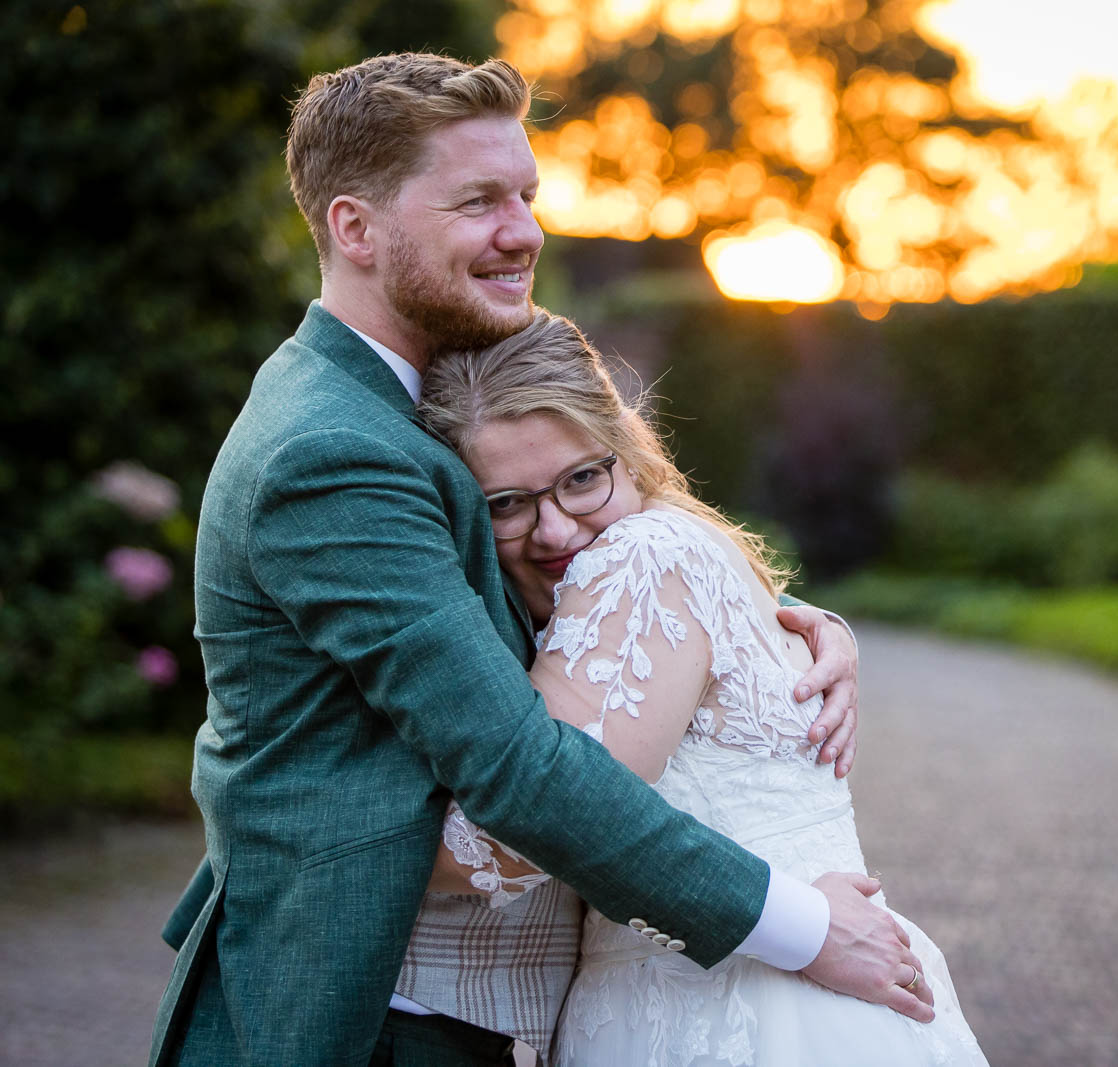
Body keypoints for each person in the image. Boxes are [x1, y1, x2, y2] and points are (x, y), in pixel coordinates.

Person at [150, 53, 932, 1067]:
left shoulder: (416, 405)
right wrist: (802, 926)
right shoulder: (334, 448)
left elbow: (589, 604)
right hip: (373, 1016)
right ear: (355, 228)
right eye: (478, 201)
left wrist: (771, 634)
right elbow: (517, 766)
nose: (523, 231)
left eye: (526, 195)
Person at [413, 311, 990, 1065]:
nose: (554, 530)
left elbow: (525, 832)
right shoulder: (684, 546)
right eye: (507, 504)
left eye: (582, 479)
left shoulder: (641, 556)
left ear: (626, 452)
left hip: (740, 1001)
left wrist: (335, 831)